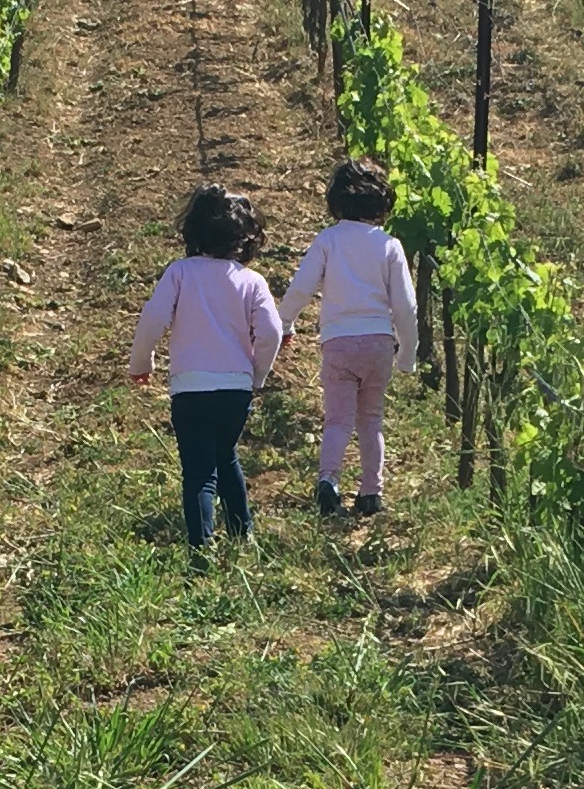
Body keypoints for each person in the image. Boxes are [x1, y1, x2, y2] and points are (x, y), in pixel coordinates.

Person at [129, 185, 285, 557]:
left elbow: (152, 318)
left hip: (190, 387)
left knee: (199, 470)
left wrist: (142, 361)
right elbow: (271, 333)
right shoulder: (252, 282)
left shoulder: (181, 273)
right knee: (225, 454)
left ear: (193, 231)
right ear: (245, 238)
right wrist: (257, 375)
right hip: (236, 388)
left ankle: (201, 546)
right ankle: (242, 532)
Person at [280, 157, 420, 515]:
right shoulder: (389, 246)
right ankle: (371, 492)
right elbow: (405, 306)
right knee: (371, 419)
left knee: (337, 419)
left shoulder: (328, 240)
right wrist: (407, 353)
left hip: (338, 343)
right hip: (378, 343)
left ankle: (328, 481)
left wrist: (284, 323)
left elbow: (300, 289)